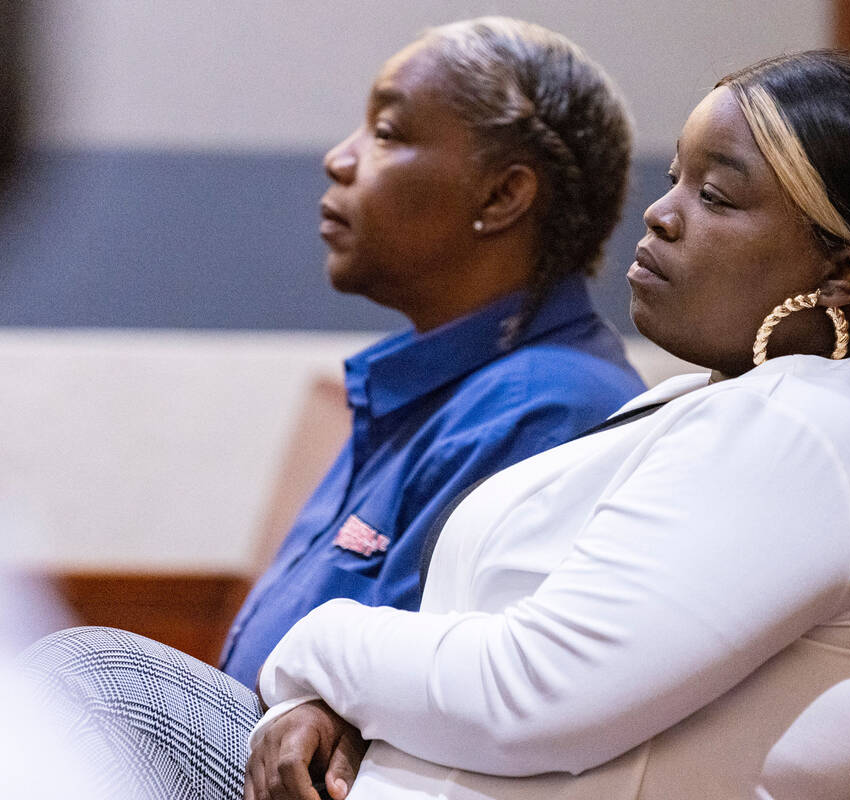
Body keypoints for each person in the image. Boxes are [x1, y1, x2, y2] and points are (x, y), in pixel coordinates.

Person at [23, 47, 850, 800]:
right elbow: (513, 648)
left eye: (715, 195)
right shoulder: (742, 405)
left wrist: (320, 653)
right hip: (400, 770)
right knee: (79, 687)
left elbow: (534, 689)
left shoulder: (807, 434)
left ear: (846, 272)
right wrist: (332, 701)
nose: (660, 217)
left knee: (86, 689)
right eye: (673, 181)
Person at [217, 16, 645, 687]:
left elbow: (413, 714)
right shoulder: (431, 386)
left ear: (503, 195)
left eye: (387, 132)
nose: (340, 158)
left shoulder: (540, 412)